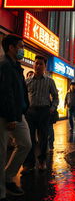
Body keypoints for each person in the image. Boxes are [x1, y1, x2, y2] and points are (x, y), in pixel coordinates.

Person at [0, 35, 31, 199]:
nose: (23, 50)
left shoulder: (16, 66)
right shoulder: (4, 65)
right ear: (11, 48)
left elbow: (19, 93)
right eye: (21, 46)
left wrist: (23, 109)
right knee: (1, 153)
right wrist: (11, 117)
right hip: (5, 115)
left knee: (26, 144)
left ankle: (7, 176)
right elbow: (5, 94)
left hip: (18, 113)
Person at [21, 55, 59, 173]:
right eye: (36, 63)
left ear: (45, 66)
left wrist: (51, 109)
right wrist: (24, 109)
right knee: (29, 139)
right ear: (33, 64)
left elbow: (56, 97)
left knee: (43, 139)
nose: (38, 66)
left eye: (40, 64)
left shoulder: (49, 81)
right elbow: (22, 97)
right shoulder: (27, 81)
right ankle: (29, 164)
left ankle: (42, 161)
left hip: (44, 112)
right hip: (30, 113)